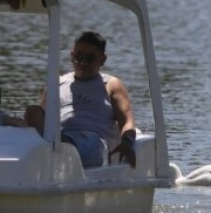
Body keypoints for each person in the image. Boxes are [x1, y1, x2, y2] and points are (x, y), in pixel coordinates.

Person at [24, 31, 137, 169]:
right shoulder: (57, 83)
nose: (83, 62)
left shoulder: (111, 84)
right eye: (79, 57)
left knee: (70, 145)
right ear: (72, 56)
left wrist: (127, 142)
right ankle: (49, 157)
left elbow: (127, 121)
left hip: (94, 141)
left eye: (90, 58)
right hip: (58, 137)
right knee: (33, 111)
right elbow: (42, 120)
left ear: (102, 60)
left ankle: (57, 154)